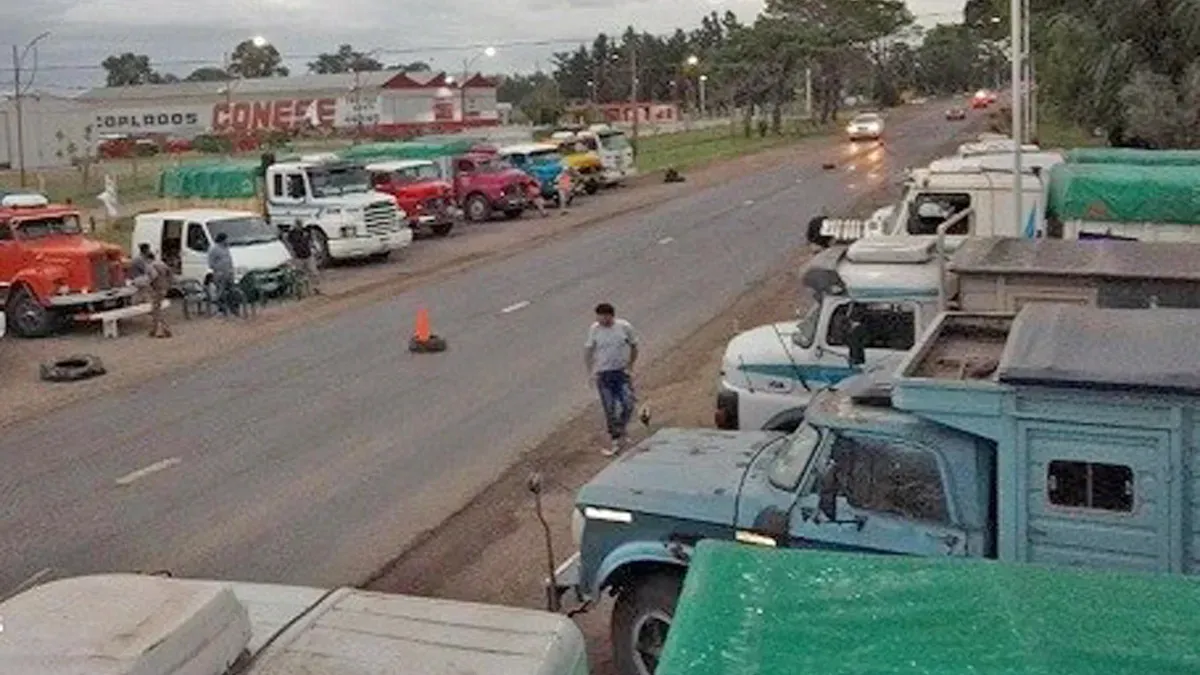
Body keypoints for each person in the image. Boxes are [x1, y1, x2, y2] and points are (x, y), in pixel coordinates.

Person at [584, 302, 639, 456]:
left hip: (621, 373)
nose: (601, 321)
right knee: (610, 408)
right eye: (599, 317)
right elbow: (589, 350)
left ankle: (621, 428)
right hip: (604, 375)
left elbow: (634, 346)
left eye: (604, 317)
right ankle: (615, 438)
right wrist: (590, 371)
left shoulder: (624, 327)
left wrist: (630, 366)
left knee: (628, 403)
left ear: (611, 316)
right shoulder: (594, 329)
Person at [285, 219, 321, 294]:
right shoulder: (291, 234)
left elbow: (311, 241)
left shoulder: (306, 231)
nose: (299, 226)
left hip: (308, 255)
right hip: (298, 257)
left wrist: (315, 249)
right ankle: (302, 291)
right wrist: (291, 254)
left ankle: (316, 288)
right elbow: (288, 243)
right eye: (297, 224)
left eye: (300, 224)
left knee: (314, 272)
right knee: (300, 274)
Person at [207, 231, 236, 316]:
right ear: (222, 240)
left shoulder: (226, 248)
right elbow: (211, 263)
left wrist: (231, 270)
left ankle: (233, 309)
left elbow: (229, 260)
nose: (228, 241)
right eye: (226, 239)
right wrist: (218, 270)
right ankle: (221, 310)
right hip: (220, 275)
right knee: (221, 293)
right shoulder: (213, 249)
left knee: (232, 292)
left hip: (229, 273)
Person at [146, 251, 173, 338]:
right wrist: (168, 284)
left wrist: (148, 282)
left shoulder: (151, 265)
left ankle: (163, 330)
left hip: (157, 289)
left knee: (156, 310)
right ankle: (154, 330)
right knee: (156, 309)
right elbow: (170, 274)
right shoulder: (162, 263)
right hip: (164, 288)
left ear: (148, 259)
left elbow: (154, 275)